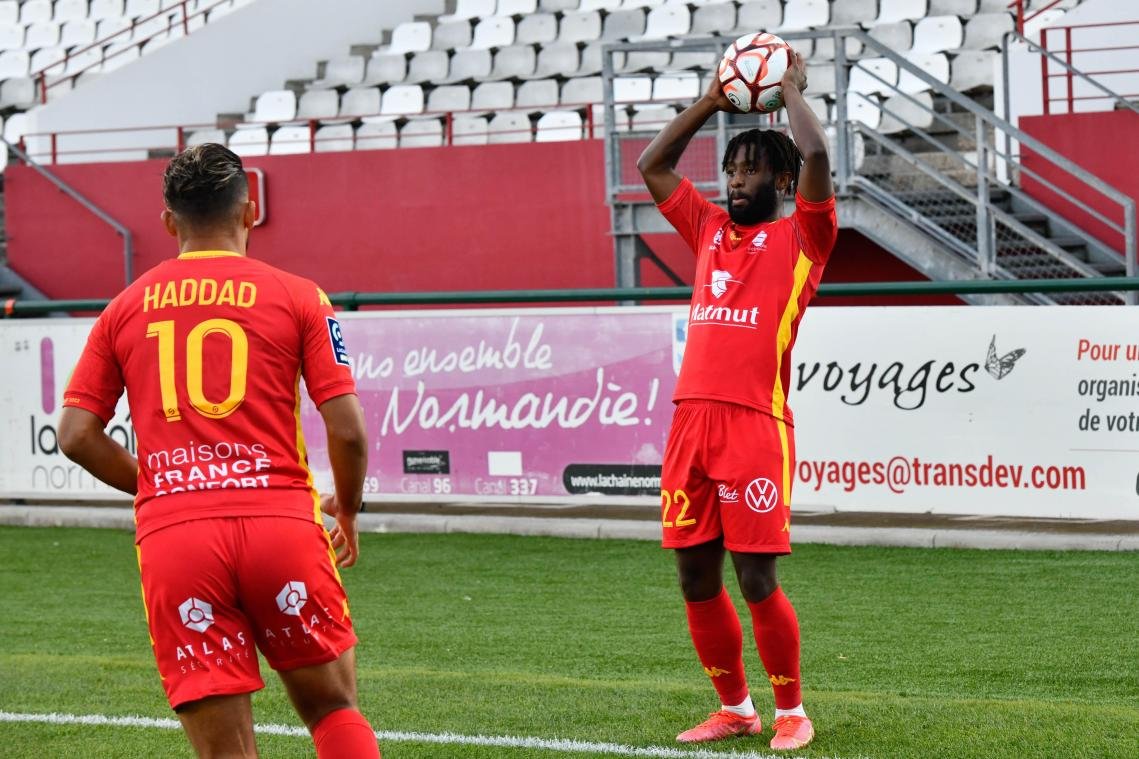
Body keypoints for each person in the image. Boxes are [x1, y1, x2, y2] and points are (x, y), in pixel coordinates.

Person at [58, 143, 381, 759]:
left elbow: (76, 435)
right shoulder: (300, 296)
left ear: (168, 222)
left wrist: (159, 483)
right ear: (250, 212)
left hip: (177, 539)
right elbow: (348, 431)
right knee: (334, 709)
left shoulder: (124, 308)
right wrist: (348, 510)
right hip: (280, 525)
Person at [637, 49, 836, 750]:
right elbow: (652, 167)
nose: (736, 180)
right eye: (731, 169)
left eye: (751, 170)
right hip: (689, 422)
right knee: (694, 573)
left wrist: (787, 94)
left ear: (781, 180)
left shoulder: (804, 238)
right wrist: (710, 103)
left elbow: (815, 154)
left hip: (754, 425)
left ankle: (790, 712)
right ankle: (735, 707)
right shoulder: (708, 232)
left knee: (755, 576)